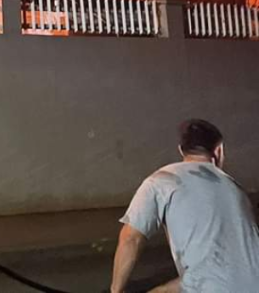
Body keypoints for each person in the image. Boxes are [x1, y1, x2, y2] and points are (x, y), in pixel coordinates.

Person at [110, 119, 259, 293]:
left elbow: (131, 239)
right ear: (219, 151)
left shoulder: (162, 180)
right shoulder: (237, 189)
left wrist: (116, 290)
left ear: (181, 150)